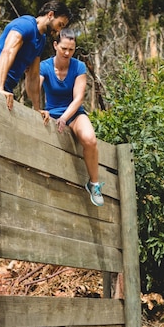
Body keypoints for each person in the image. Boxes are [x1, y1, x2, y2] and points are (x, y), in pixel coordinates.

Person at [39, 27, 104, 207]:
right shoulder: (44, 66)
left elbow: (78, 98)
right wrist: (38, 108)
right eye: (64, 49)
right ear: (55, 46)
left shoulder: (78, 67)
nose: (67, 53)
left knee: (90, 140)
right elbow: (34, 88)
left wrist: (65, 118)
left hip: (73, 114)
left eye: (71, 50)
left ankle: (94, 184)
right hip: (50, 114)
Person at [0, 0, 71, 111]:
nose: (59, 31)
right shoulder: (26, 24)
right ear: (50, 15)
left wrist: (37, 109)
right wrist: (0, 88)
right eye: (60, 25)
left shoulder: (41, 39)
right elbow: (7, 51)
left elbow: (33, 76)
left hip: (7, 86)